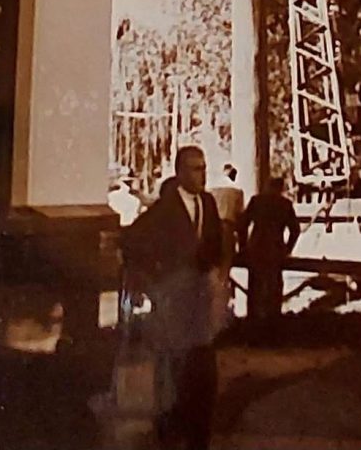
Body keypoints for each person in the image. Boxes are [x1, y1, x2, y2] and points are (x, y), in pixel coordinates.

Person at [123, 145, 223, 450]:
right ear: (180, 173)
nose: (201, 175)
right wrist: (152, 281)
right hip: (172, 296)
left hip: (200, 297)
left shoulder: (208, 203)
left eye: (204, 168)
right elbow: (132, 242)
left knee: (202, 364)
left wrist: (218, 275)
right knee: (171, 365)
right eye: (195, 168)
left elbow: (217, 241)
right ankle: (169, 430)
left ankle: (198, 433)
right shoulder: (164, 209)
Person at [240, 176, 300, 322]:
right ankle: (273, 325)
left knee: (255, 287)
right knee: (274, 288)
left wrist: (243, 247)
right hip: (275, 249)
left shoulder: (257, 201)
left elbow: (242, 225)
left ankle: (253, 323)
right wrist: (288, 249)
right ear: (281, 189)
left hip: (256, 248)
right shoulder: (284, 204)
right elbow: (295, 230)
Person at [209, 163, 245, 289]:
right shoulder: (236, 191)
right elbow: (240, 218)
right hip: (226, 226)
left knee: (212, 263)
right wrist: (242, 245)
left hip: (211, 228)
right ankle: (222, 286)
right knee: (226, 261)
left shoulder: (212, 189)